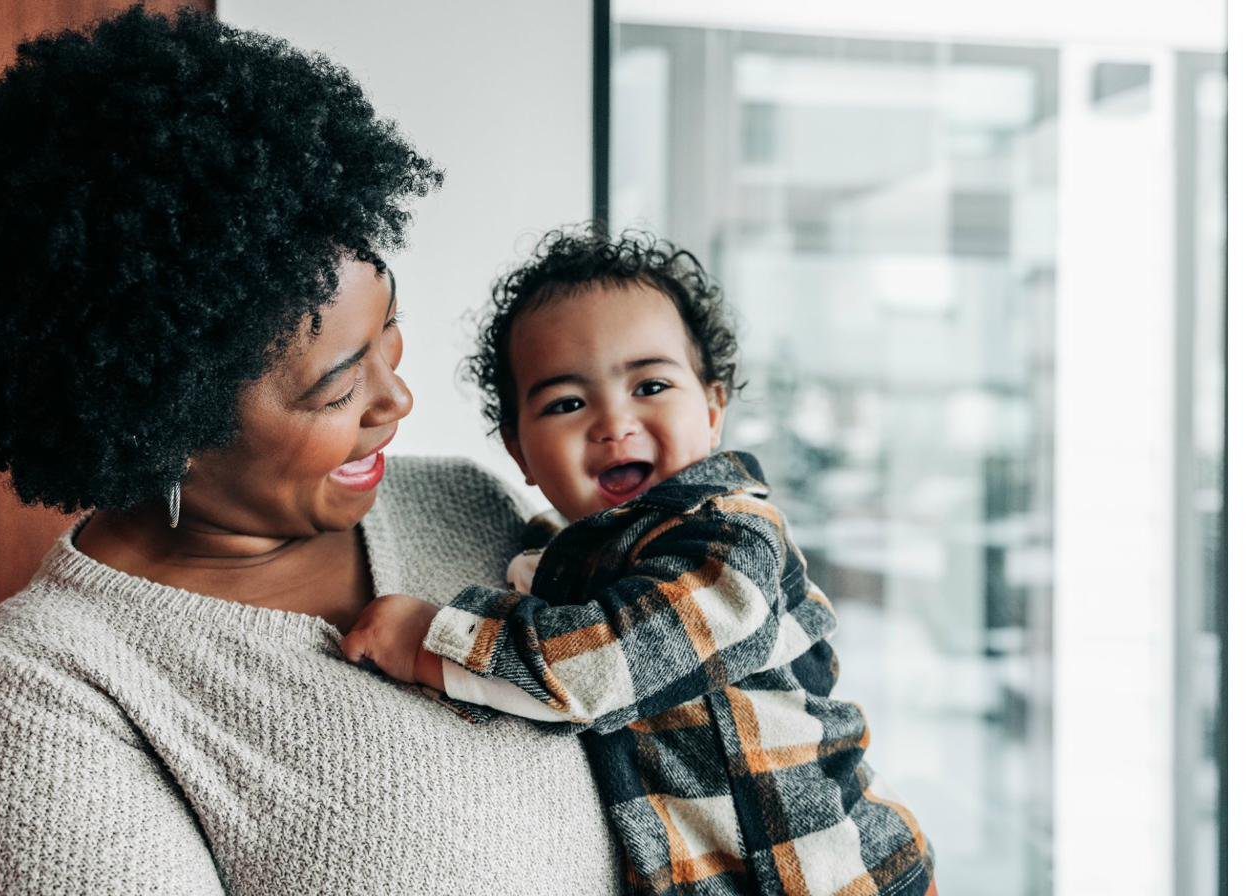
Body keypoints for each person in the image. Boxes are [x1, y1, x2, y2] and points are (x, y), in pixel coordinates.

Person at [0, 9, 622, 894]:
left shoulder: (467, 509)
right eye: (336, 387)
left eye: (389, 329)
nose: (398, 400)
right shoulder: (31, 699)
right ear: (162, 424)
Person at [341, 229, 937, 896]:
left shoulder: (734, 542)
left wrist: (434, 641)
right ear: (521, 453)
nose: (613, 423)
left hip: (840, 877)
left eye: (650, 385)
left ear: (713, 409)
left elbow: (613, 660)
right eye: (566, 403)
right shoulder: (573, 559)